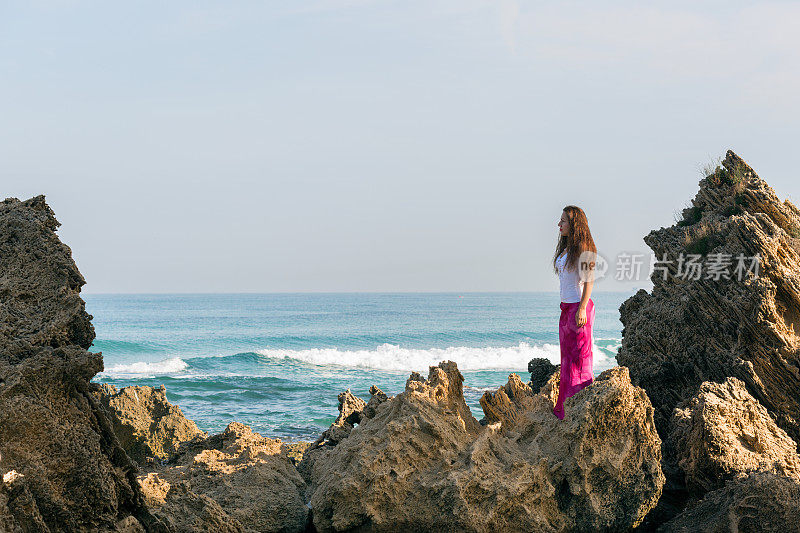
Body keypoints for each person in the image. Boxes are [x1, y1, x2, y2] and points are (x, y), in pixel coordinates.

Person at [552, 205, 597, 420]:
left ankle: (582, 406)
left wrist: (581, 309)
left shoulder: (583, 247)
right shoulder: (566, 248)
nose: (559, 225)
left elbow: (589, 281)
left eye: (563, 221)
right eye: (560, 221)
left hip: (579, 308)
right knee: (568, 360)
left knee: (580, 360)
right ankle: (565, 408)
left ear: (574, 224)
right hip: (566, 308)